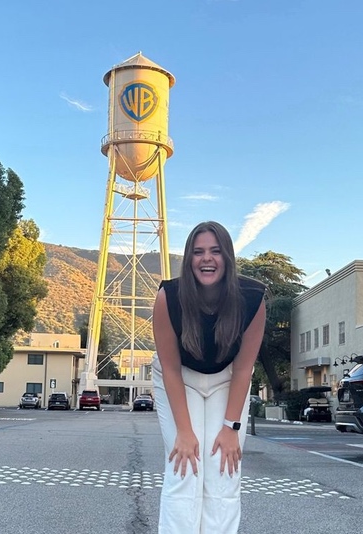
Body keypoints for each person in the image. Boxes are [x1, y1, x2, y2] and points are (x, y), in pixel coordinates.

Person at [152, 220, 267, 533]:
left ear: (227, 257)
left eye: (215, 251)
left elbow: (244, 369)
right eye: (199, 251)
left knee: (223, 467)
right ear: (189, 258)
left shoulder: (252, 298)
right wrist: (184, 431)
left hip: (227, 378)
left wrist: (231, 428)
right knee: (184, 466)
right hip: (178, 378)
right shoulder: (169, 297)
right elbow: (171, 369)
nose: (207, 258)